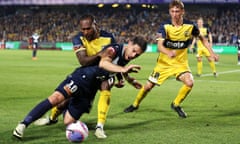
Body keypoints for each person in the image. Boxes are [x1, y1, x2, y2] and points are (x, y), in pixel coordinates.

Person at [13, 36, 147, 140]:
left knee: (68, 121)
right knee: (56, 98)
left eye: (138, 54)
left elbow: (117, 68)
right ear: (129, 43)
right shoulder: (114, 49)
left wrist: (130, 80)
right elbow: (103, 63)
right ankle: (23, 124)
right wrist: (123, 69)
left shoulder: (126, 56)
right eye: (134, 50)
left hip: (90, 90)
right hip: (82, 77)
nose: (134, 55)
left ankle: (67, 102)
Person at [124, 0, 219, 118]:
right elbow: (159, 45)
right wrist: (168, 52)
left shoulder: (190, 26)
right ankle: (135, 104)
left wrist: (212, 53)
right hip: (164, 64)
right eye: (172, 11)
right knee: (148, 86)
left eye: (177, 11)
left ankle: (176, 104)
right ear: (169, 12)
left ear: (182, 12)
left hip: (180, 64)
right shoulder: (164, 26)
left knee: (189, 82)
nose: (175, 14)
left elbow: (203, 39)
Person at [34, 14, 118, 139]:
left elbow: (116, 58)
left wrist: (120, 76)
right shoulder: (78, 38)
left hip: (103, 72)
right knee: (64, 102)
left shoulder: (109, 37)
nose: (85, 31)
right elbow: (83, 61)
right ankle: (52, 118)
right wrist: (100, 54)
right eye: (83, 29)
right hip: (85, 74)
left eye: (88, 28)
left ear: (95, 25)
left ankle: (100, 126)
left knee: (106, 86)